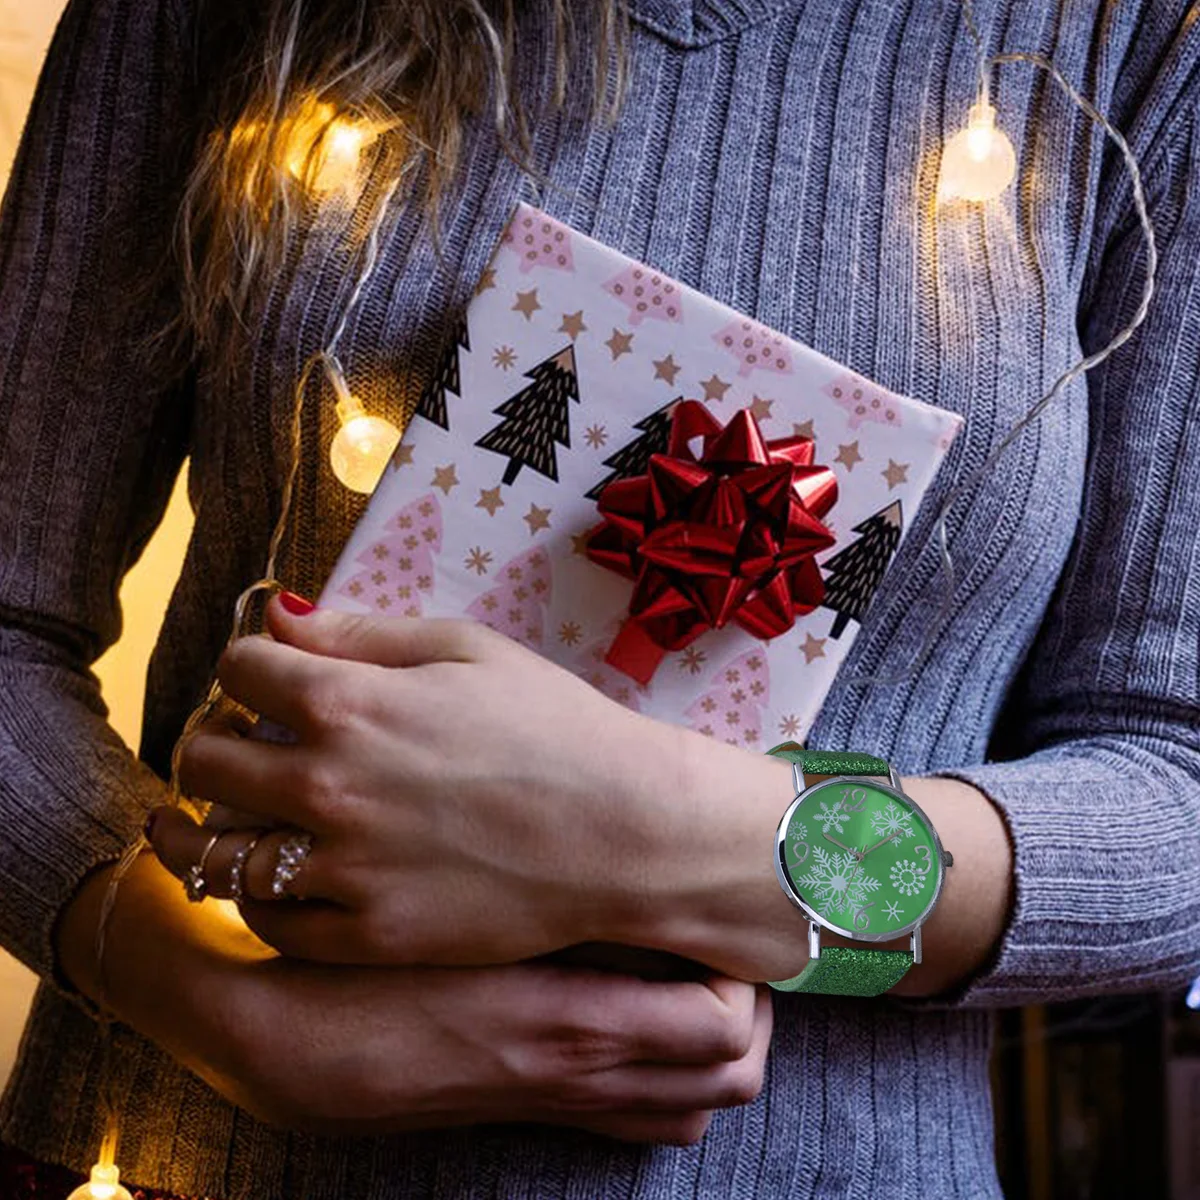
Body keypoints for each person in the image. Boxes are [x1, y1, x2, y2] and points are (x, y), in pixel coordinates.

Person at [1, 0, 1198, 1196]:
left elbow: (1178, 785)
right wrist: (212, 1001)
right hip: (184, 1159)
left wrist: (668, 838)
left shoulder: (1130, 33)